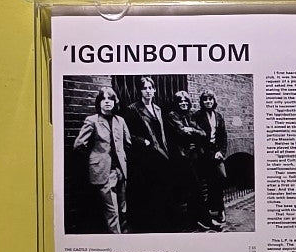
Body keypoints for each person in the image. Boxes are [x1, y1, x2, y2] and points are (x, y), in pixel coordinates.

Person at [73, 86, 131, 233]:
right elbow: (79, 145)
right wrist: (96, 160)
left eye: (110, 99)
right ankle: (117, 240)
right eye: (103, 99)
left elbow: (128, 143)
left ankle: (125, 235)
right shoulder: (92, 120)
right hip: (104, 171)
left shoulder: (120, 121)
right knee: (112, 211)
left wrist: (122, 158)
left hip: (121, 170)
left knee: (123, 208)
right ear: (99, 102)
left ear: (114, 102)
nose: (107, 102)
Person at [123, 76, 172, 232]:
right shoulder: (133, 109)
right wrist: (143, 141)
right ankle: (148, 226)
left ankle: (161, 223)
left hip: (161, 155)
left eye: (150, 88)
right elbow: (128, 134)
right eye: (144, 88)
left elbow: (162, 133)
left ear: (155, 90)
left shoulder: (157, 109)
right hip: (145, 157)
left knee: (161, 190)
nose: (148, 91)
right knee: (147, 192)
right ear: (140, 91)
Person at [165, 90, 212, 231]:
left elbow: (204, 134)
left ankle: (194, 222)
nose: (184, 103)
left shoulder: (191, 115)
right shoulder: (172, 115)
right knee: (194, 190)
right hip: (182, 158)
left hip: (194, 157)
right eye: (181, 101)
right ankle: (206, 220)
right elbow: (181, 133)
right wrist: (192, 132)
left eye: (186, 101)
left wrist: (191, 129)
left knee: (194, 190)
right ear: (176, 103)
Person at [194, 89, 228, 226]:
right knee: (207, 182)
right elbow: (197, 136)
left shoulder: (218, 116)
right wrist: (205, 153)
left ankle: (220, 210)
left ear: (214, 101)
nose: (208, 101)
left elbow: (223, 136)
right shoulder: (197, 115)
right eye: (205, 99)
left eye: (210, 99)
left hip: (216, 153)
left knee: (221, 178)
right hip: (204, 154)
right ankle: (208, 212)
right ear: (202, 102)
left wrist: (221, 152)